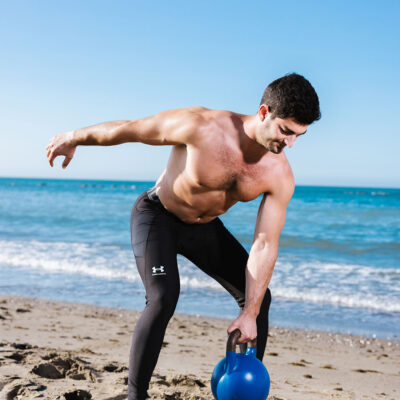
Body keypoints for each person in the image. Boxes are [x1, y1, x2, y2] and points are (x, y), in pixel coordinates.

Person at [46, 73, 320, 400]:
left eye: (298, 135)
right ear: (264, 112)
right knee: (163, 297)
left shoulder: (279, 174)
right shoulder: (201, 126)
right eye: (286, 131)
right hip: (157, 216)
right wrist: (73, 137)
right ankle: (136, 396)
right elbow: (129, 129)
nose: (290, 143)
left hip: (204, 228)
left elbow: (265, 244)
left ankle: (242, 390)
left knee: (259, 301)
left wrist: (249, 314)